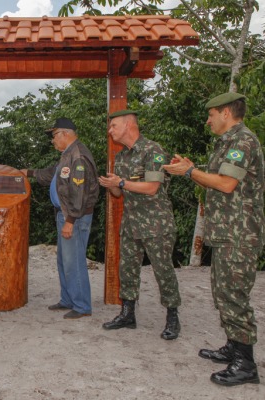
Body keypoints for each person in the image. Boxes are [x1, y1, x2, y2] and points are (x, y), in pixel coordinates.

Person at [163, 92, 265, 386]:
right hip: (227, 232)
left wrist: (190, 171)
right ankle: (234, 346)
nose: (208, 121)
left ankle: (246, 364)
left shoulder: (242, 141)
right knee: (223, 293)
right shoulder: (229, 143)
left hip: (239, 233)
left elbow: (226, 183)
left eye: (211, 115)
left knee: (234, 295)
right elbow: (218, 178)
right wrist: (192, 169)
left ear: (226, 113)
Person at [98, 110, 181, 340]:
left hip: (156, 224)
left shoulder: (153, 151)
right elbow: (118, 192)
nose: (110, 130)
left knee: (163, 271)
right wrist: (111, 185)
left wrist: (121, 182)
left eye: (114, 125)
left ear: (128, 125)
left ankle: (172, 317)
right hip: (132, 222)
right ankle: (128, 313)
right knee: (128, 270)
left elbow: (153, 187)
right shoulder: (122, 157)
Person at [20, 118, 99, 319]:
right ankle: (68, 299)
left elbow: (79, 193)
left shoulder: (78, 157)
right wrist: (28, 172)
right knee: (64, 261)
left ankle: (81, 306)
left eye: (54, 136)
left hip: (74, 217)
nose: (53, 140)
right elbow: (53, 175)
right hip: (64, 215)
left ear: (65, 133)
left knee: (74, 262)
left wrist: (70, 221)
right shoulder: (67, 155)